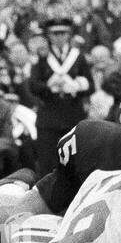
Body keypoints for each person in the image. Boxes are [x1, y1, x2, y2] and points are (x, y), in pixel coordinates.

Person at [29, 18, 93, 176]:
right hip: (49, 118)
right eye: (54, 34)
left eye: (63, 33)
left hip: (73, 115)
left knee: (75, 165)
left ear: (69, 34)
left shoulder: (78, 56)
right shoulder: (42, 57)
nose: (59, 37)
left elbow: (91, 85)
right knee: (48, 166)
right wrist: (49, 87)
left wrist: (78, 86)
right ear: (49, 36)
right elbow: (32, 85)